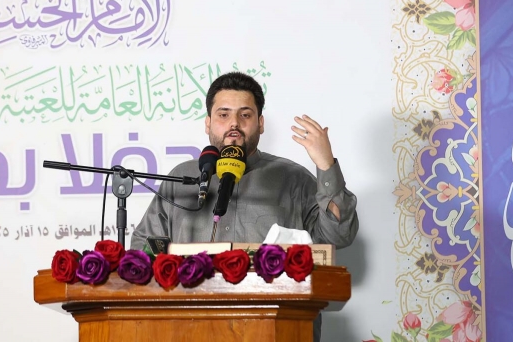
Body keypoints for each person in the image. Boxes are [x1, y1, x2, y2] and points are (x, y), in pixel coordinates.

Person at [130, 71, 359, 342]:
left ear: (260, 123)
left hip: (277, 329)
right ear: (208, 123)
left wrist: (326, 165)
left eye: (245, 115)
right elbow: (143, 247)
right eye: (223, 114)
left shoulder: (293, 178)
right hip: (189, 328)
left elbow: (339, 235)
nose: (234, 124)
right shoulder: (182, 178)